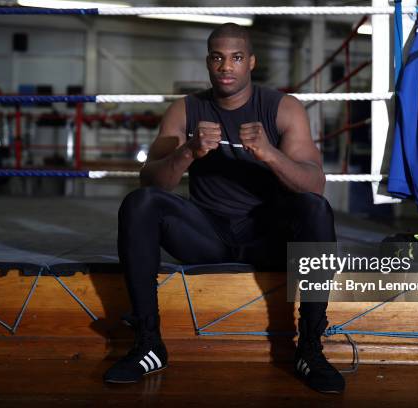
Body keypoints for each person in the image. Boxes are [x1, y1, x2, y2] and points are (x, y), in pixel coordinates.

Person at [103, 23, 345, 394]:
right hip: (208, 236)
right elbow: (151, 181)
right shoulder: (185, 110)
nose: (226, 67)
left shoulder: (282, 108)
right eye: (218, 58)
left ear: (251, 62)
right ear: (208, 63)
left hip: (267, 235)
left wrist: (270, 155)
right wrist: (188, 151)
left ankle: (310, 348)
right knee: (140, 203)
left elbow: (315, 185)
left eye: (235, 58)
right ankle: (149, 343)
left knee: (315, 210)